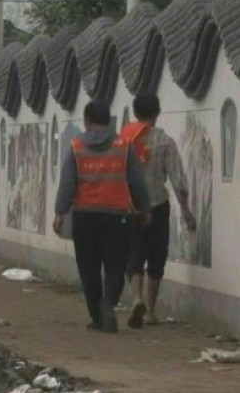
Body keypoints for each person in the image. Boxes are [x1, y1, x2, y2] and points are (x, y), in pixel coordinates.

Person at [53, 100, 151, 333]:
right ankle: (109, 303)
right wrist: (144, 209)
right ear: (109, 121)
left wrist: (59, 213)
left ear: (86, 121)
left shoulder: (76, 147)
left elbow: (67, 183)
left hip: (85, 217)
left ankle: (97, 316)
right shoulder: (124, 146)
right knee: (116, 265)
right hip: (117, 217)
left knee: (88, 267)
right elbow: (137, 182)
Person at [120, 95, 196, 328]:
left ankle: (135, 299)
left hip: (130, 207)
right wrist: (185, 210)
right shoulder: (165, 141)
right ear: (157, 113)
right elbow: (177, 179)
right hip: (158, 207)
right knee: (156, 256)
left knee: (134, 253)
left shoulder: (124, 140)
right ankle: (151, 311)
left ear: (135, 112)